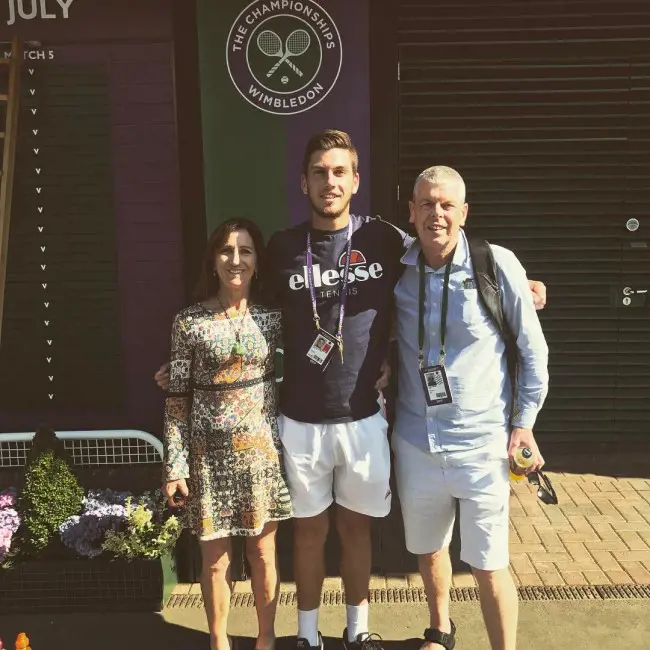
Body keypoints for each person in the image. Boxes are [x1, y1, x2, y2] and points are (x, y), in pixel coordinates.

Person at [156, 131, 548, 650]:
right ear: (304, 182)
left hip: (366, 418)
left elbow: (441, 246)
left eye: (340, 172)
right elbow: (245, 302)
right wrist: (193, 358)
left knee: (359, 532)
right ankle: (308, 635)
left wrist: (525, 287)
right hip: (299, 420)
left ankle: (359, 632)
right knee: (311, 534)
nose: (330, 181)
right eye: (320, 172)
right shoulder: (281, 248)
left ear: (356, 180)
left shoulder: (387, 241)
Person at [392, 166, 549, 650]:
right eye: (426, 204)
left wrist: (524, 425)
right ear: (411, 211)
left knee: (487, 562)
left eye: (446, 205)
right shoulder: (395, 263)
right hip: (416, 440)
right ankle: (440, 631)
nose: (435, 214)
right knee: (430, 548)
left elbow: (533, 350)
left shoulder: (495, 264)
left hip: (481, 444)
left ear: (463, 212)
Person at [162, 218, 293, 650]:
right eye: (226, 251)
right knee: (215, 563)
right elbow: (178, 397)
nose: (235, 260)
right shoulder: (189, 322)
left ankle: (265, 639)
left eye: (246, 251)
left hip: (260, 455)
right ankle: (219, 641)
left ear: (257, 262)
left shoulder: (275, 317)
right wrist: (175, 466)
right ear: (214, 261)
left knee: (261, 556)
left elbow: (310, 369)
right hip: (207, 457)